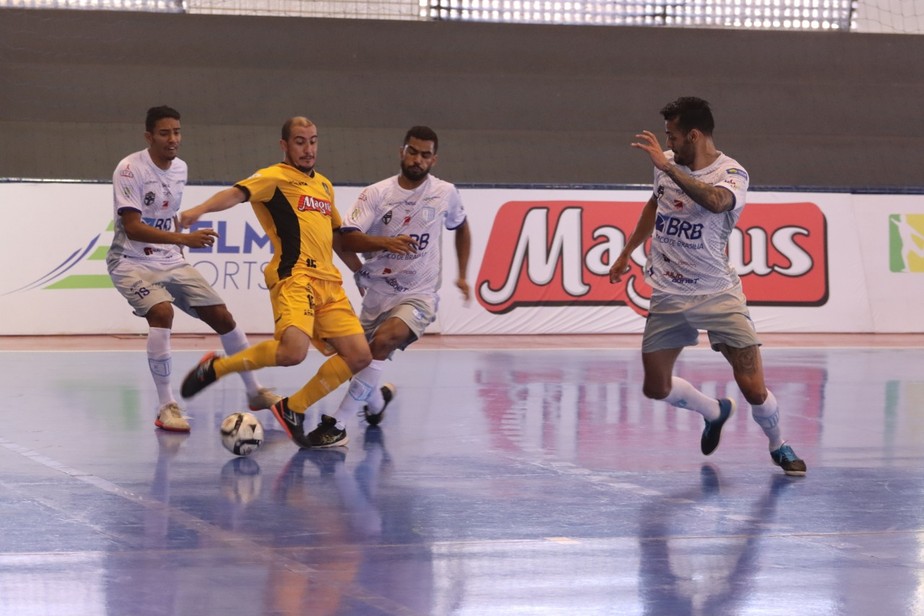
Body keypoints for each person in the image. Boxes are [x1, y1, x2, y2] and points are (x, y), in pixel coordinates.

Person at [608, 96, 806, 476]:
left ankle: (778, 445)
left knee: (752, 387)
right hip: (667, 292)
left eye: (674, 136)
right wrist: (627, 252)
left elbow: (716, 202)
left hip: (717, 293)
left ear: (694, 135)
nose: (669, 143)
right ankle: (714, 411)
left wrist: (667, 166)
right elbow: (655, 204)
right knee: (656, 388)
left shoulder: (732, 174)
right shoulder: (666, 166)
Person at [177, 116, 372, 449]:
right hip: (294, 276)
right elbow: (236, 194)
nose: (308, 148)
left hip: (330, 283)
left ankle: (292, 408)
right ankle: (219, 367)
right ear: (284, 145)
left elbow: (337, 236)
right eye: (300, 141)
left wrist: (359, 271)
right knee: (292, 353)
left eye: (313, 140)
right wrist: (199, 210)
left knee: (359, 357)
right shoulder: (273, 177)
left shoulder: (324, 185)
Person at [107, 105, 279, 433]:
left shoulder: (180, 168)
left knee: (223, 318)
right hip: (131, 262)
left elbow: (166, 213)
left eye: (177, 132)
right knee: (162, 313)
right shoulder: (130, 169)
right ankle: (166, 406)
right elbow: (132, 227)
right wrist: (183, 237)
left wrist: (182, 225)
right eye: (164, 133)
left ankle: (254, 391)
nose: (173, 139)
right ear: (149, 136)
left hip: (171, 258)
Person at [330, 125, 471, 426]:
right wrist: (385, 243)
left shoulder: (445, 193)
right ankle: (377, 404)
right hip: (377, 292)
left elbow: (461, 226)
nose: (417, 160)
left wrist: (462, 275)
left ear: (434, 160)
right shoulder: (377, 194)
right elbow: (346, 239)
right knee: (358, 361)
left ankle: (336, 425)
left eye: (425, 155)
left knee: (384, 341)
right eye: (413, 152)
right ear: (401, 152)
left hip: (418, 294)